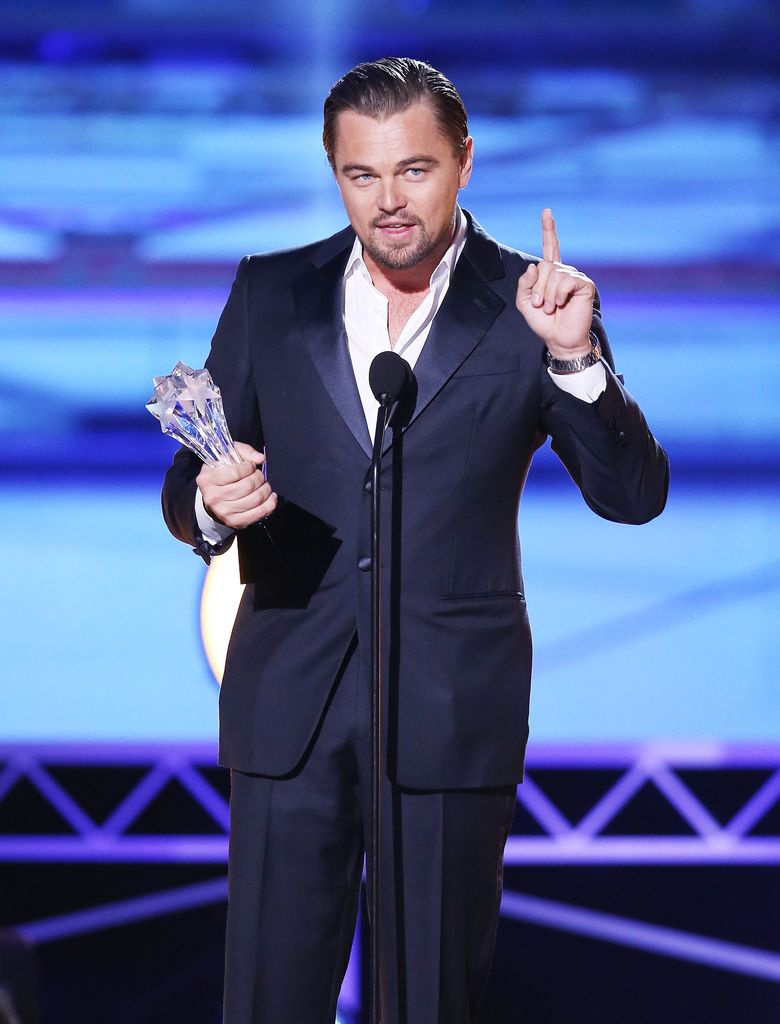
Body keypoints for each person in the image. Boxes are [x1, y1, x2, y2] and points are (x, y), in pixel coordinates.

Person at [162, 56, 668, 1024]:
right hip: (289, 705)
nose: (388, 201)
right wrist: (215, 503)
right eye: (361, 174)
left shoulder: (534, 302)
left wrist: (574, 357)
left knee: (432, 998)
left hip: (450, 706)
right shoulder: (271, 290)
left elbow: (633, 496)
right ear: (334, 172)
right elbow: (188, 486)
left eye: (414, 170)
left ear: (465, 161)